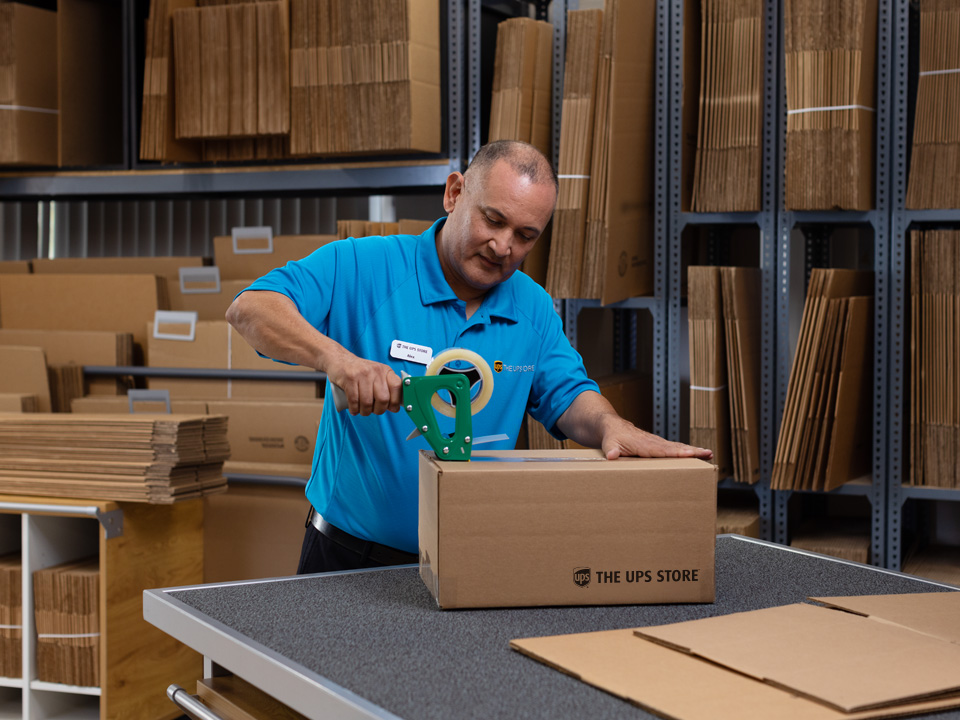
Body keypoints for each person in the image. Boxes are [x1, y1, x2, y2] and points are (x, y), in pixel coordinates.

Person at [226, 140, 712, 575]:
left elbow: (568, 396)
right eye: (494, 220)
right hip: (348, 561)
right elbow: (251, 308)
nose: (504, 247)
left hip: (473, 560)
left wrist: (610, 425)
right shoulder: (361, 265)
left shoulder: (533, 307)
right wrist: (338, 360)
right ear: (454, 193)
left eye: (526, 236)